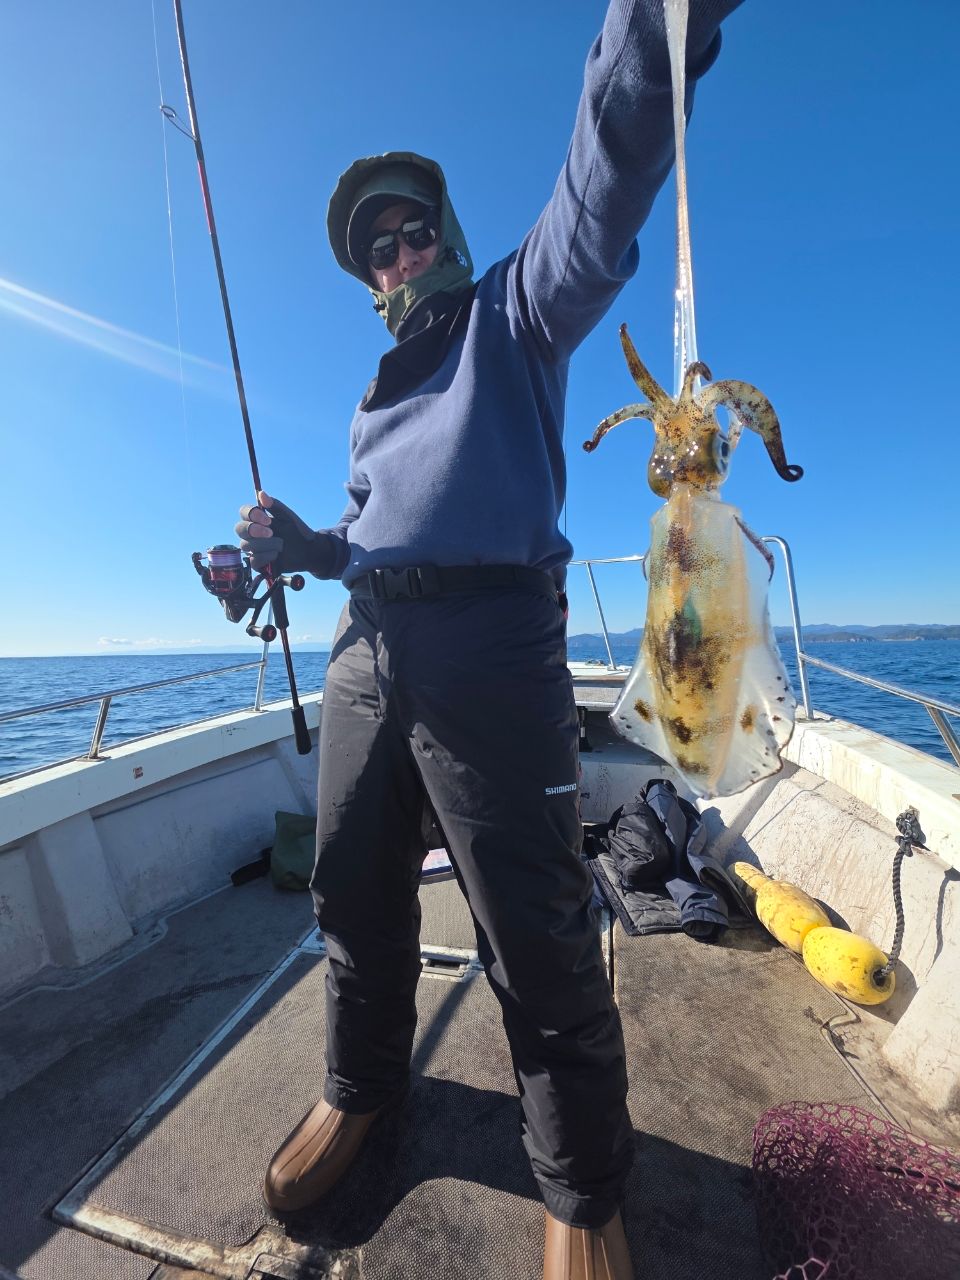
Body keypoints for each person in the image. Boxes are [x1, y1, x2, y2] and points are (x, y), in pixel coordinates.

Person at [236, 3, 742, 1276]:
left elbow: (602, 181)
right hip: (367, 647)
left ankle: (580, 1188)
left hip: (494, 648)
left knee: (535, 929)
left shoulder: (518, 308)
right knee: (350, 889)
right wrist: (305, 545)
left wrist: (652, 32)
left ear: (448, 235)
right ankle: (362, 1084)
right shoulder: (371, 401)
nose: (399, 253)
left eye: (414, 230)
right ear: (369, 281)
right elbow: (370, 537)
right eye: (378, 250)